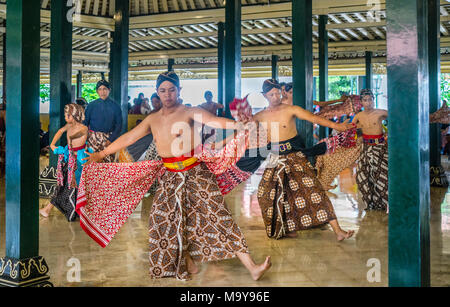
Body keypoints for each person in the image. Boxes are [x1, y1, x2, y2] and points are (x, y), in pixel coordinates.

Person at [78, 71, 271, 281]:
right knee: (163, 220)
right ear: (157, 93)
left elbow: (214, 121)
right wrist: (101, 154)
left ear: (179, 91)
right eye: (163, 90)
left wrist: (239, 125)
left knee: (219, 217)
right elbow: (129, 137)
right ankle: (187, 262)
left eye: (171, 90)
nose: (167, 94)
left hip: (197, 173)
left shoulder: (189, 112)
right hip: (169, 176)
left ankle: (252, 267)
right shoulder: (153, 119)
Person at [250, 79, 355, 240]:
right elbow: (241, 133)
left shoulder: (291, 109)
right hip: (274, 158)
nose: (276, 97)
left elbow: (313, 118)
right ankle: (285, 227)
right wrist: (221, 143)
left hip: (295, 156)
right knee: (265, 193)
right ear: (265, 96)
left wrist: (338, 127)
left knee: (314, 191)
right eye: (272, 94)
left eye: (278, 93)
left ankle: (338, 231)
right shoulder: (259, 116)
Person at [39, 104, 91, 220]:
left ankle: (49, 209)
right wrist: (52, 144)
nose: (65, 117)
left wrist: (70, 139)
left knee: (70, 185)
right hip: (69, 158)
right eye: (65, 115)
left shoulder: (83, 128)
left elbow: (76, 135)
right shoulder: (68, 125)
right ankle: (49, 209)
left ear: (75, 115)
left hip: (79, 159)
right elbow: (60, 131)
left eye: (68, 115)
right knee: (65, 185)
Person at [353, 89, 388, 212]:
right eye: (365, 100)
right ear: (361, 102)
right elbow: (352, 128)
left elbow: (396, 117)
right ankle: (370, 202)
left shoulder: (380, 113)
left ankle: (383, 203)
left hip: (379, 147)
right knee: (362, 175)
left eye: (370, 100)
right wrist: (358, 136)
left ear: (373, 100)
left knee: (381, 176)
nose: (368, 103)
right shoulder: (358, 116)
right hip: (365, 148)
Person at [83, 80, 122, 162]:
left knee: (108, 162)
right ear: (97, 91)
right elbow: (85, 123)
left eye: (105, 89)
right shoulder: (91, 106)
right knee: (92, 161)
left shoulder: (115, 106)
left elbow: (119, 125)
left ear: (109, 90)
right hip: (92, 139)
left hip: (109, 138)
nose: (102, 92)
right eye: (100, 89)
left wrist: (110, 139)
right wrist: (85, 138)